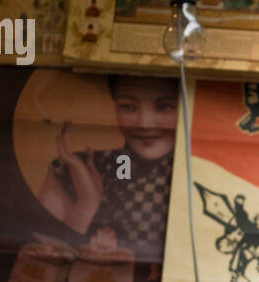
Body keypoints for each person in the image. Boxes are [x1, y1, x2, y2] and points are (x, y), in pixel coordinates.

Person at [38, 74, 177, 258]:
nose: (144, 123)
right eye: (129, 107)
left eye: (164, 107)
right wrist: (86, 206)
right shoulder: (76, 167)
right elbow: (41, 263)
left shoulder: (199, 175)